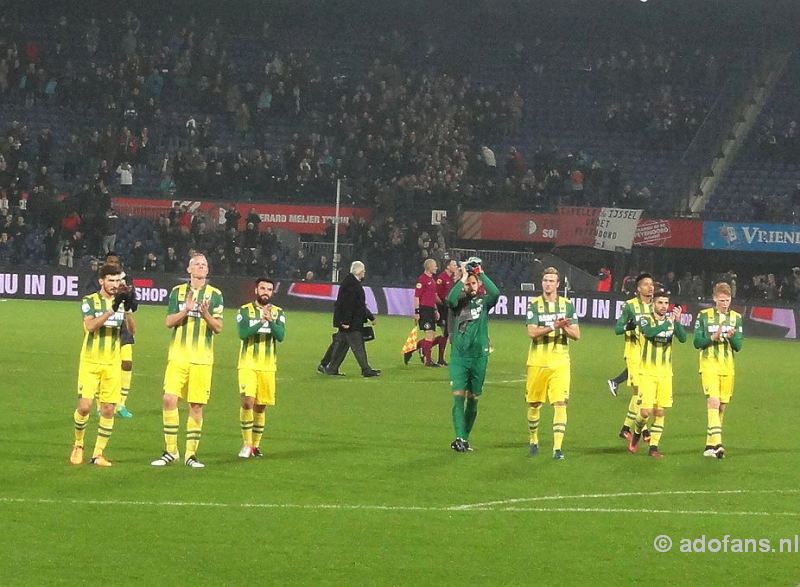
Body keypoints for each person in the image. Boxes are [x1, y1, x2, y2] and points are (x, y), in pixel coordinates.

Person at [151, 253, 224, 468]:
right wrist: (186, 309)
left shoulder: (215, 295)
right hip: (178, 356)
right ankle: (170, 451)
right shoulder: (178, 292)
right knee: (169, 399)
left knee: (196, 405)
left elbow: (219, 327)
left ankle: (190, 455)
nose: (201, 268)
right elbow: (168, 322)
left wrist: (205, 314)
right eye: (197, 265)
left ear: (207, 271)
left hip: (202, 359)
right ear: (189, 270)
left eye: (204, 265)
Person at [69, 264, 137, 467]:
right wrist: (111, 310)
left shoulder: (121, 303)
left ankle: (98, 453)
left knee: (108, 409)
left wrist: (128, 310)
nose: (115, 285)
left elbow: (132, 331)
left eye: (117, 281)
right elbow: (89, 326)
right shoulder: (90, 301)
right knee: (85, 407)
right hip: (90, 362)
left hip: (112, 363)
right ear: (101, 281)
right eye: (111, 280)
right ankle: (78, 444)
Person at [525, 266, 580, 460]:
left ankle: (557, 448)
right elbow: (531, 332)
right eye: (545, 280)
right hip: (537, 362)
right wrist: (553, 326)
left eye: (551, 281)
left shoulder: (567, 305)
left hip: (560, 362)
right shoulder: (534, 304)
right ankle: (533, 439)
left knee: (560, 403)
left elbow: (577, 335)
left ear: (557, 284)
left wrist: (564, 327)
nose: (547, 284)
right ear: (542, 283)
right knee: (534, 404)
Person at [447, 259, 500, 452]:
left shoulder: (484, 302)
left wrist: (481, 273)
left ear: (479, 285)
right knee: (458, 396)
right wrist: (462, 277)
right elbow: (450, 300)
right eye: (468, 284)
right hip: (459, 358)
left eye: (473, 283)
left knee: (473, 398)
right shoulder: (458, 302)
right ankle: (460, 436)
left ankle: (464, 438)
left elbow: (496, 293)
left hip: (479, 358)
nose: (470, 287)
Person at [628, 290, 686, 459]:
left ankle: (654, 447)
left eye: (666, 303)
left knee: (660, 412)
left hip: (666, 374)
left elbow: (682, 338)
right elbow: (649, 333)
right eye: (660, 303)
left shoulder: (671, 321)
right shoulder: (646, 319)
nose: (663, 306)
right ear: (653, 303)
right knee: (645, 412)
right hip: (647, 373)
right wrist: (665, 325)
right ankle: (637, 432)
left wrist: (678, 322)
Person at [237, 278, 286, 458]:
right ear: (256, 290)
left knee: (260, 407)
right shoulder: (245, 311)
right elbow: (243, 334)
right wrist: (260, 322)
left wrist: (270, 321)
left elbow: (280, 336)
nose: (266, 291)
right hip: (248, 364)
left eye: (269, 289)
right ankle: (246, 444)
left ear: (272, 292)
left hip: (267, 367)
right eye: (262, 288)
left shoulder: (278, 313)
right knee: (248, 401)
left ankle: (256, 446)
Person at [693, 282, 743, 459]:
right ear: (714, 298)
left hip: (727, 367)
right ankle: (718, 443)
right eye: (721, 300)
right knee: (713, 402)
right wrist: (712, 337)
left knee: (721, 406)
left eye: (727, 300)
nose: (724, 303)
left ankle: (709, 446)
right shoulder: (704, 316)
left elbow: (739, 346)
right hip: (709, 365)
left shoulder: (736, 318)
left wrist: (732, 337)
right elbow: (697, 342)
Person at [609, 273, 654, 445]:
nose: (650, 287)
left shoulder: (655, 307)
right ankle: (643, 429)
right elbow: (618, 329)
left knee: (638, 394)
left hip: (649, 355)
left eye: (652, 284)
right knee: (641, 393)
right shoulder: (630, 306)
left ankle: (626, 428)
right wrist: (630, 325)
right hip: (634, 354)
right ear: (638, 289)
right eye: (646, 284)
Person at [319, 261, 380, 377]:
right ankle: (366, 369)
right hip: (351, 322)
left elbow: (358, 305)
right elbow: (348, 305)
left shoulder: (350, 283)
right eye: (363, 271)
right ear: (358, 271)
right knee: (358, 346)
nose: (364, 273)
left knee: (340, 345)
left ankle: (331, 368)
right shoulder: (352, 285)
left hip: (349, 321)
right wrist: (346, 321)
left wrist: (370, 317)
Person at [105, 253, 137, 418]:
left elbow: (135, 304)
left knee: (127, 363)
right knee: (104, 365)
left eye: (115, 262)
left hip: (123, 326)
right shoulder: (101, 279)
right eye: (110, 262)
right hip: (104, 326)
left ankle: (121, 404)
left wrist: (128, 297)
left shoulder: (127, 281)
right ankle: (102, 402)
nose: (113, 264)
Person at [405, 258, 441, 367]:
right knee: (429, 334)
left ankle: (411, 350)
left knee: (431, 335)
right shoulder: (422, 279)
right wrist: (417, 312)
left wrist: (435, 310)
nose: (436, 267)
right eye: (435, 265)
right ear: (429, 267)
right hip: (424, 309)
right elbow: (416, 296)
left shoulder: (433, 280)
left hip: (430, 310)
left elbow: (432, 298)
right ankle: (428, 361)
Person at [434, 258, 459, 366]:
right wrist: (443, 305)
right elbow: (435, 295)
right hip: (443, 308)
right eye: (454, 264)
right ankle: (438, 357)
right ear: (448, 266)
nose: (456, 266)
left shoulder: (452, 278)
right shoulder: (442, 278)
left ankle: (424, 347)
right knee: (446, 333)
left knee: (446, 333)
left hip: (449, 307)